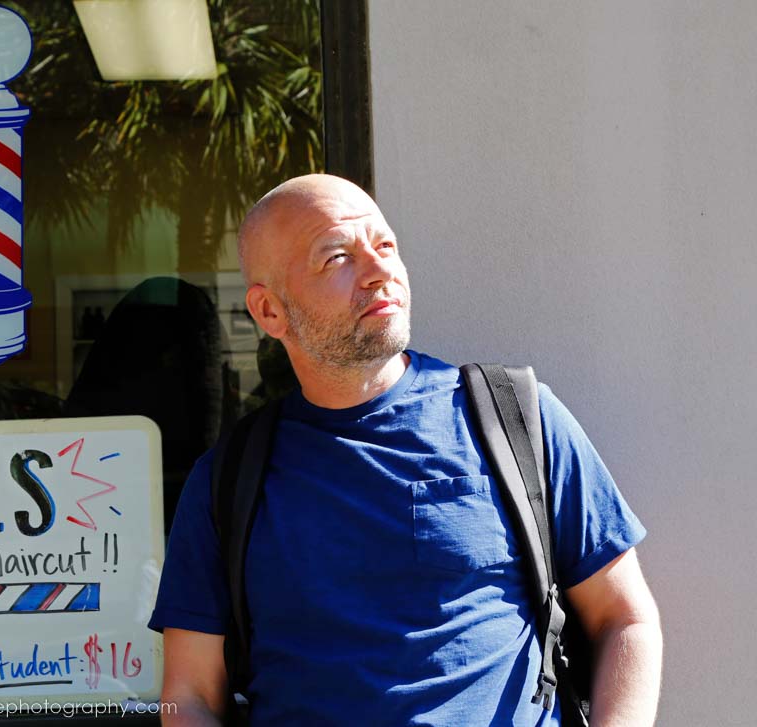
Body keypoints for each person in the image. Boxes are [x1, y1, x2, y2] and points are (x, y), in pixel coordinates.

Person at [147, 174, 663, 725]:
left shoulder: (515, 419)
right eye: (337, 257)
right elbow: (191, 694)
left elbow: (623, 619)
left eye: (385, 245)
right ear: (270, 312)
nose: (379, 271)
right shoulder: (227, 480)